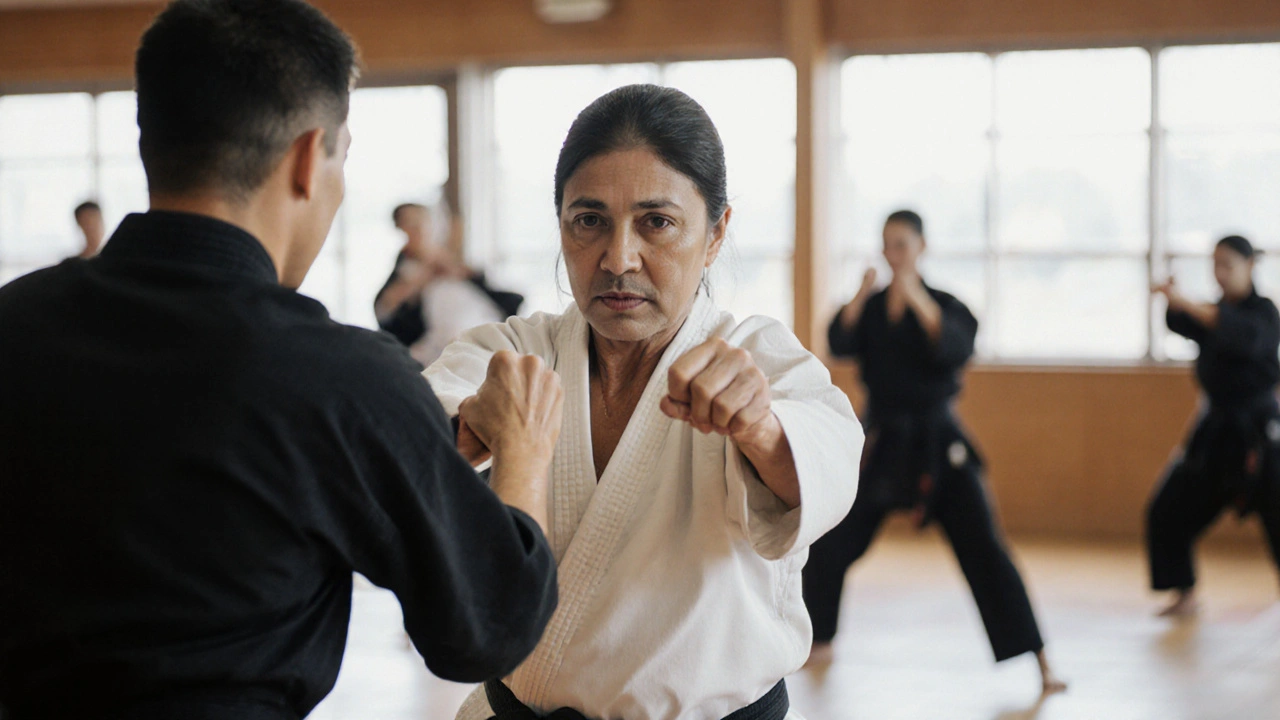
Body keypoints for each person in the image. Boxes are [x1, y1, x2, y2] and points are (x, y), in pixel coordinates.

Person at [0, 2, 560, 718]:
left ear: (151, 141)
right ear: (308, 157)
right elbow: (489, 627)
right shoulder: (344, 378)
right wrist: (526, 449)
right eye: (343, 158)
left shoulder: (14, 323)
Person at [426, 84, 861, 720]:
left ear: (715, 234)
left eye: (656, 222)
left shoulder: (755, 358)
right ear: (562, 228)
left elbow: (829, 459)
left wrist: (762, 429)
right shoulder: (514, 352)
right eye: (589, 221)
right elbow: (403, 439)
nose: (618, 258)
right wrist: (474, 428)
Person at [803, 210, 1066, 695]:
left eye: (901, 244)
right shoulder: (873, 306)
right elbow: (838, 342)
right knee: (829, 539)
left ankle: (1040, 660)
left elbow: (956, 348)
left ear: (922, 247)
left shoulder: (946, 304)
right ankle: (818, 640)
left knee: (985, 549)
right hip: (882, 440)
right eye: (886, 245)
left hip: (940, 443)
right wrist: (861, 293)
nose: (892, 254)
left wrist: (917, 299)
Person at [1147, 235, 1280, 617]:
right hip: (1215, 430)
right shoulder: (1214, 311)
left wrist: (1188, 302)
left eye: (1228, 265)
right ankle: (1183, 590)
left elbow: (1240, 336)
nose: (1220, 274)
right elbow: (1184, 323)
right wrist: (1173, 300)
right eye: (1215, 265)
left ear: (1250, 266)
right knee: (1168, 508)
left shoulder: (1264, 312)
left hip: (1260, 432)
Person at [376, 202, 523, 365]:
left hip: (470, 322)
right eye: (411, 224)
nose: (419, 229)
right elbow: (386, 309)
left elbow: (482, 283)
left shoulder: (446, 259)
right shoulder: (405, 267)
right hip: (436, 336)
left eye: (422, 222)